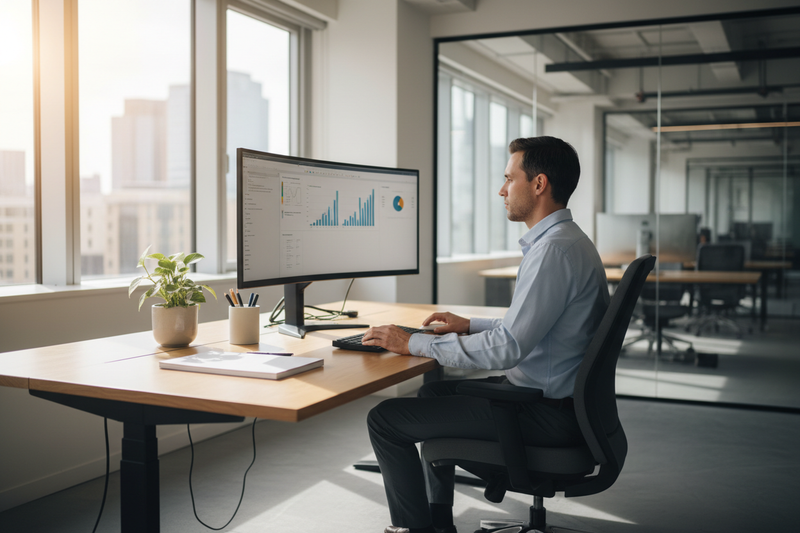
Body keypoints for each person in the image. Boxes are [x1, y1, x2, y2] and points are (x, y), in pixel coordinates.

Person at [361, 136, 610, 533]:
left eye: (509, 178)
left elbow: (507, 349)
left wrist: (413, 342)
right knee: (431, 394)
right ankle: (440, 522)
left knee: (385, 420)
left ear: (539, 184)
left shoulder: (552, 253)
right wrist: (469, 325)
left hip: (543, 412)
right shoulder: (569, 243)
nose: (502, 189)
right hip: (561, 404)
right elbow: (530, 329)